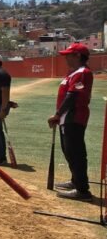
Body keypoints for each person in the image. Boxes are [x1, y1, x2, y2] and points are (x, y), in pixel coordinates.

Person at [48, 43, 94, 200]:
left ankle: (82, 190)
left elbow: (72, 96)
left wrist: (57, 114)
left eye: (69, 55)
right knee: (69, 151)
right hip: (66, 118)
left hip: (73, 117)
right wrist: (59, 116)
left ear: (78, 56)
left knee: (75, 153)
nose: (66, 58)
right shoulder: (73, 73)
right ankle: (76, 181)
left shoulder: (82, 72)